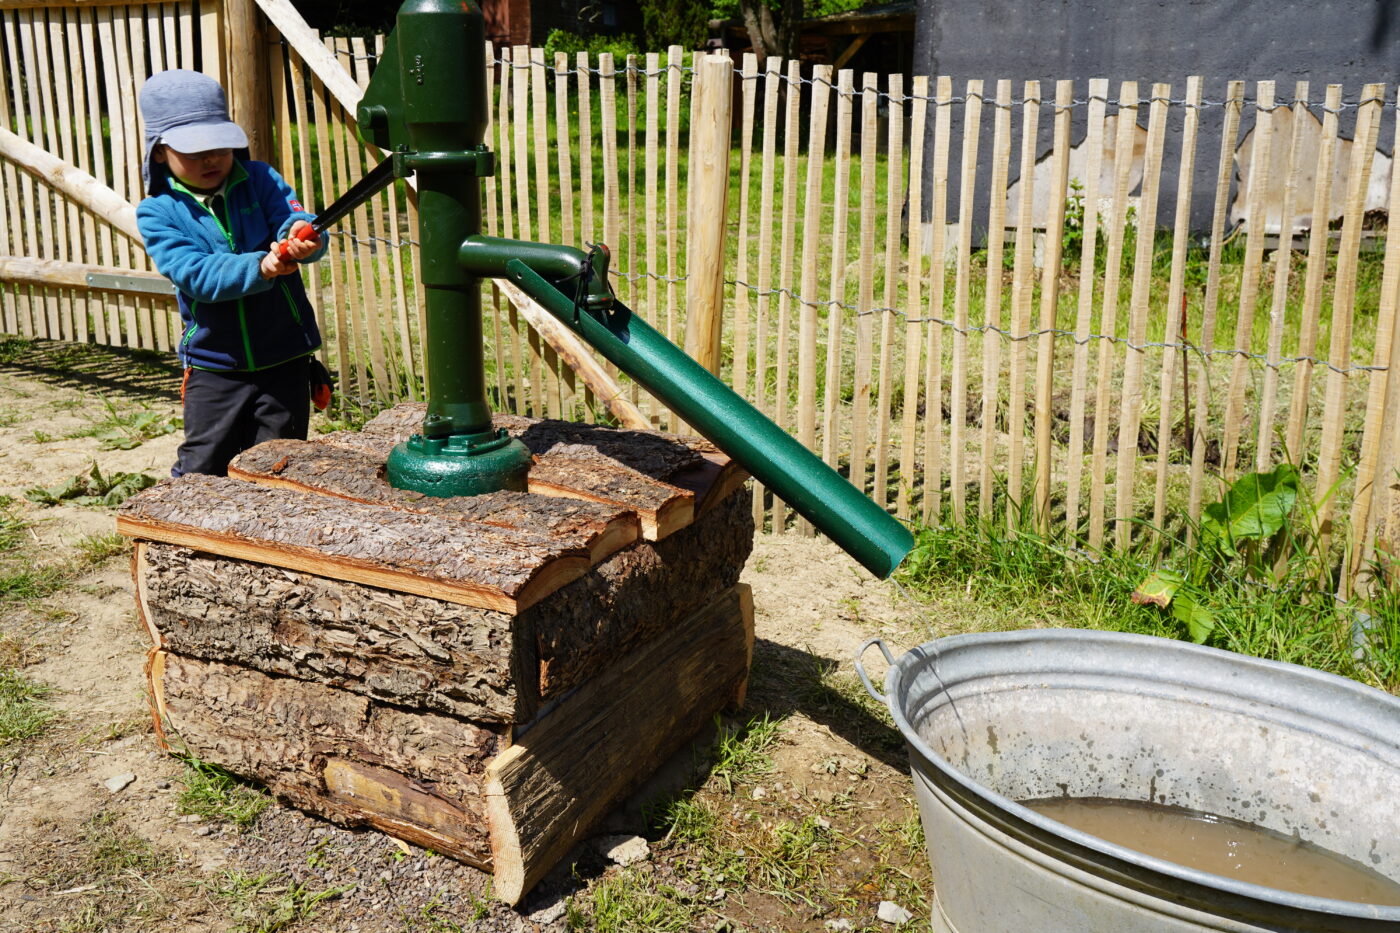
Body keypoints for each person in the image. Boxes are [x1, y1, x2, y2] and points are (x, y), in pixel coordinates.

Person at [136, 68, 330, 478]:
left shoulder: (261, 178)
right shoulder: (157, 212)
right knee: (204, 465)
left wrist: (302, 236)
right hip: (215, 364)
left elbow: (293, 219)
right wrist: (261, 266)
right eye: (194, 152)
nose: (210, 159)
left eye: (219, 146)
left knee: (281, 462)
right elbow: (195, 274)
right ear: (159, 151)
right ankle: (188, 520)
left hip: (285, 354)